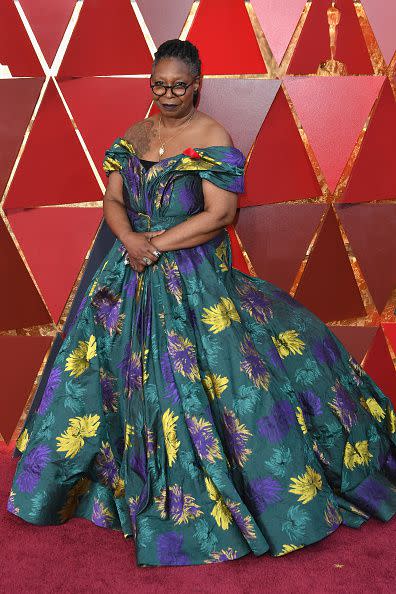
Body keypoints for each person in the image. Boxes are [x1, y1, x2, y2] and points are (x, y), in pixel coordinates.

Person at [7, 39, 396, 568]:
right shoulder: (134, 135)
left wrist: (156, 244)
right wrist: (129, 242)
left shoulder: (213, 136)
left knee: (220, 379)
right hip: (129, 274)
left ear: (197, 83)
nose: (167, 95)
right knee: (101, 376)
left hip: (194, 280)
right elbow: (114, 200)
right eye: (159, 85)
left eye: (178, 85)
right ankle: (108, 488)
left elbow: (220, 216)